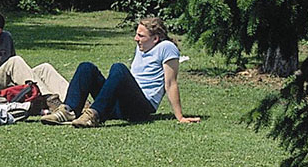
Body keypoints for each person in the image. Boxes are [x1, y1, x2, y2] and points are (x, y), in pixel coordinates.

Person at [41, 16, 202, 127]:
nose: (136, 39)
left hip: (140, 108)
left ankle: (93, 116)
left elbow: (171, 83)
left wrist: (180, 117)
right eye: (136, 34)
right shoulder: (142, 47)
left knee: (118, 68)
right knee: (86, 67)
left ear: (155, 38)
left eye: (141, 36)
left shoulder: (167, 48)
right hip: (121, 105)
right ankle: (68, 111)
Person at [0, 10, 70, 98]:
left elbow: (15, 70)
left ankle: (73, 101)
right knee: (15, 61)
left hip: (7, 83)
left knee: (45, 69)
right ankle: (46, 98)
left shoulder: (6, 38)